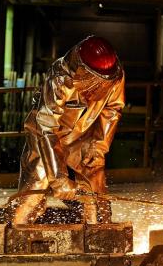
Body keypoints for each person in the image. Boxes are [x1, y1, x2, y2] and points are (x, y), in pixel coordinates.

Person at [9, 35, 125, 224]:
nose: (96, 91)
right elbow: (46, 126)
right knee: (35, 188)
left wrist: (98, 147)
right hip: (46, 137)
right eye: (94, 84)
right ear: (83, 72)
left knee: (96, 194)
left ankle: (99, 233)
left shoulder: (115, 76)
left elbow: (112, 110)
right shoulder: (60, 78)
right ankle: (18, 229)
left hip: (84, 135)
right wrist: (59, 177)